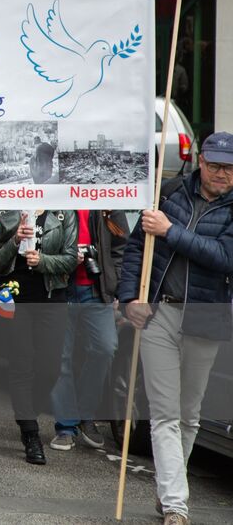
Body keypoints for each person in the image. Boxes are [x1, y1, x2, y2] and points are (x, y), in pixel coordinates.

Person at [119, 134, 233, 525]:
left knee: (189, 414)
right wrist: (130, 297)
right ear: (200, 161)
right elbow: (137, 248)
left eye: (230, 167)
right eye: (216, 164)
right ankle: (175, 504)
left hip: (205, 317)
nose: (223, 173)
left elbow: (223, 257)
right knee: (165, 412)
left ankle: (171, 488)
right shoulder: (169, 193)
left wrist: (169, 231)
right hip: (160, 313)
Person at [0, 208, 77, 465]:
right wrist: (14, 242)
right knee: (21, 364)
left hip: (51, 298)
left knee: (50, 368)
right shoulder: (5, 213)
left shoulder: (63, 213)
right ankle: (30, 432)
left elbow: (70, 259)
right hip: (16, 299)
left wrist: (43, 261)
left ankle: (28, 412)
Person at [50, 208, 124, 451]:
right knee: (61, 356)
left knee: (105, 347)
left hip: (96, 289)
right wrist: (66, 256)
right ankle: (65, 424)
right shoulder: (55, 194)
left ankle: (85, 414)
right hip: (60, 286)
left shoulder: (109, 200)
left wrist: (116, 284)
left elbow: (122, 247)